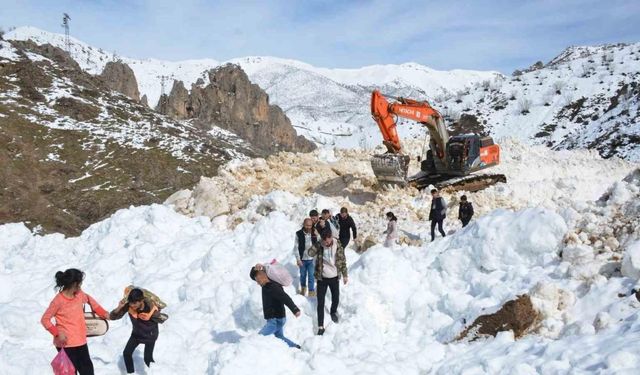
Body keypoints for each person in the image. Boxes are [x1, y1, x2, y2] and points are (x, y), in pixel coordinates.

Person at [41, 269, 109, 375]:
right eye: (80, 283)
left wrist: (104, 314)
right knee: (70, 372)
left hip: (81, 341)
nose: (81, 285)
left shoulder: (79, 294)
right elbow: (45, 319)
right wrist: (57, 333)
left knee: (88, 371)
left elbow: (91, 301)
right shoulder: (58, 301)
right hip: (65, 344)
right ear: (74, 284)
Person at [110, 287, 168, 374]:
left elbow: (165, 317)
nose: (133, 305)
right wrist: (119, 307)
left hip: (150, 336)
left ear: (141, 300)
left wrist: (151, 315)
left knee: (147, 358)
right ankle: (131, 373)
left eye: (135, 303)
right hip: (136, 334)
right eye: (131, 303)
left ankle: (154, 372)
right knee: (126, 353)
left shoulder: (150, 308)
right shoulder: (129, 306)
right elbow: (113, 317)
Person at [250, 265, 301, 348]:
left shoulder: (272, 286)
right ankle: (295, 347)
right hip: (277, 318)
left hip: (275, 320)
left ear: (261, 275)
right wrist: (257, 268)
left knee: (258, 338)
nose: (257, 283)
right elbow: (261, 271)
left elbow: (285, 297)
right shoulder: (266, 285)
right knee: (279, 336)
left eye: (257, 280)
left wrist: (295, 309)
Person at [308, 231, 348, 335]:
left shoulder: (337, 244)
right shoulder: (319, 245)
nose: (326, 243)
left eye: (327, 241)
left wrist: (345, 274)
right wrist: (317, 243)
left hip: (334, 277)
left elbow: (343, 260)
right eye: (324, 241)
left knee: (336, 298)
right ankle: (320, 326)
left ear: (331, 237)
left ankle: (333, 311)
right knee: (320, 302)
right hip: (322, 278)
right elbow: (309, 253)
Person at [293, 218, 319, 297]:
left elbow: (320, 242)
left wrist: (318, 235)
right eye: (307, 225)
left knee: (311, 276)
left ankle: (311, 292)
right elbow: (296, 247)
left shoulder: (314, 233)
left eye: (310, 225)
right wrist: (298, 259)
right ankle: (303, 289)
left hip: (311, 259)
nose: (308, 227)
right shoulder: (299, 234)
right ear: (304, 224)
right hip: (302, 259)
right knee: (303, 275)